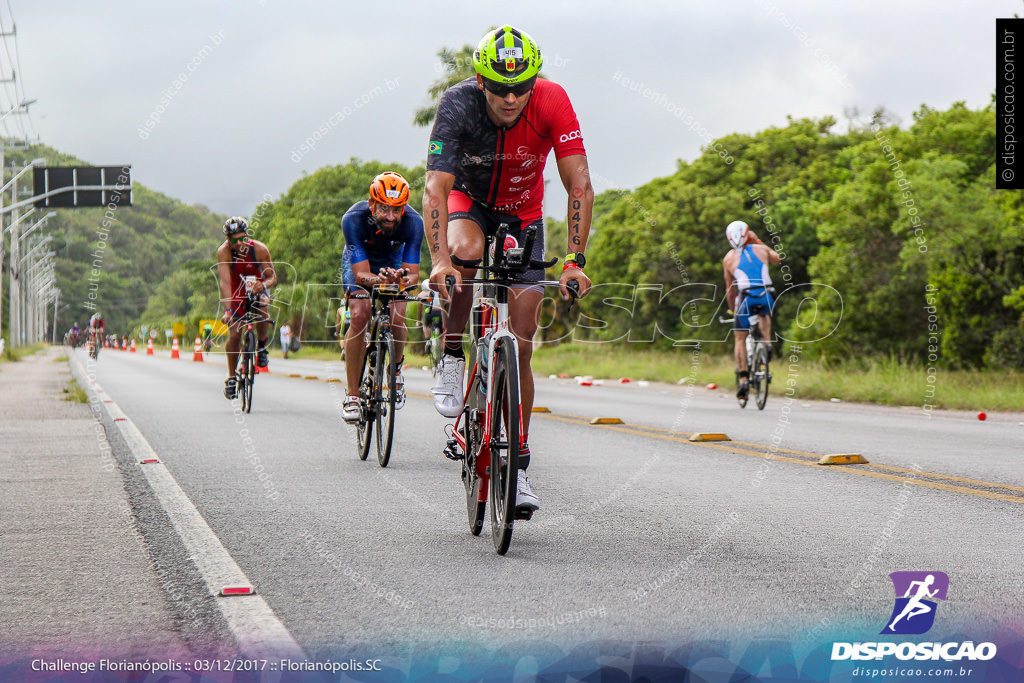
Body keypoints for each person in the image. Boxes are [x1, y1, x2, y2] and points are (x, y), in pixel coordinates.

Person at [424, 25, 593, 515]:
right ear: (481, 81)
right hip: (468, 202)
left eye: (521, 86)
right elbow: (435, 188)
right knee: (465, 252)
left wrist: (574, 259)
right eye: (499, 87)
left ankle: (516, 469)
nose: (511, 97)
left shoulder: (552, 99)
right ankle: (453, 354)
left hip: (524, 212)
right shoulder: (457, 104)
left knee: (521, 343)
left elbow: (578, 184)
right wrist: (438, 262)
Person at [340, 172, 424, 423]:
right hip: (360, 262)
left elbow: (414, 275)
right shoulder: (353, 220)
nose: (390, 216)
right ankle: (353, 395)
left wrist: (400, 278)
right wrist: (380, 280)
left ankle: (395, 370)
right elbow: (360, 274)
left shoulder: (414, 222)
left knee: (398, 316)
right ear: (372, 204)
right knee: (359, 314)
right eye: (384, 209)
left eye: (397, 210)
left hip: (393, 262)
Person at [217, 216, 278, 400]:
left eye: (241, 238)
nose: (238, 243)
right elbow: (225, 282)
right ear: (228, 240)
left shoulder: (259, 249)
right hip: (236, 291)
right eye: (233, 240)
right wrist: (228, 311)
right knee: (234, 334)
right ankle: (231, 377)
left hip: (257, 286)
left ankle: (261, 346)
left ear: (247, 235)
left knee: (263, 305)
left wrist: (264, 284)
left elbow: (272, 277)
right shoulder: (224, 252)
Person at [723, 220, 780, 400]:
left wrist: (732, 310)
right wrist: (758, 240)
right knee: (764, 313)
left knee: (740, 338)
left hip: (746, 298)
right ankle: (768, 344)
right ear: (748, 234)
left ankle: (743, 380)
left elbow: (730, 291)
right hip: (767, 295)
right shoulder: (761, 250)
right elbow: (777, 258)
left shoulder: (728, 259)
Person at [419, 278, 443, 344]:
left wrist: (419, 321)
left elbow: (420, 309)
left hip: (429, 312)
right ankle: (445, 352)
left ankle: (427, 340)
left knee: (425, 325)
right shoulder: (439, 292)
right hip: (440, 312)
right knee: (442, 336)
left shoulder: (422, 294)